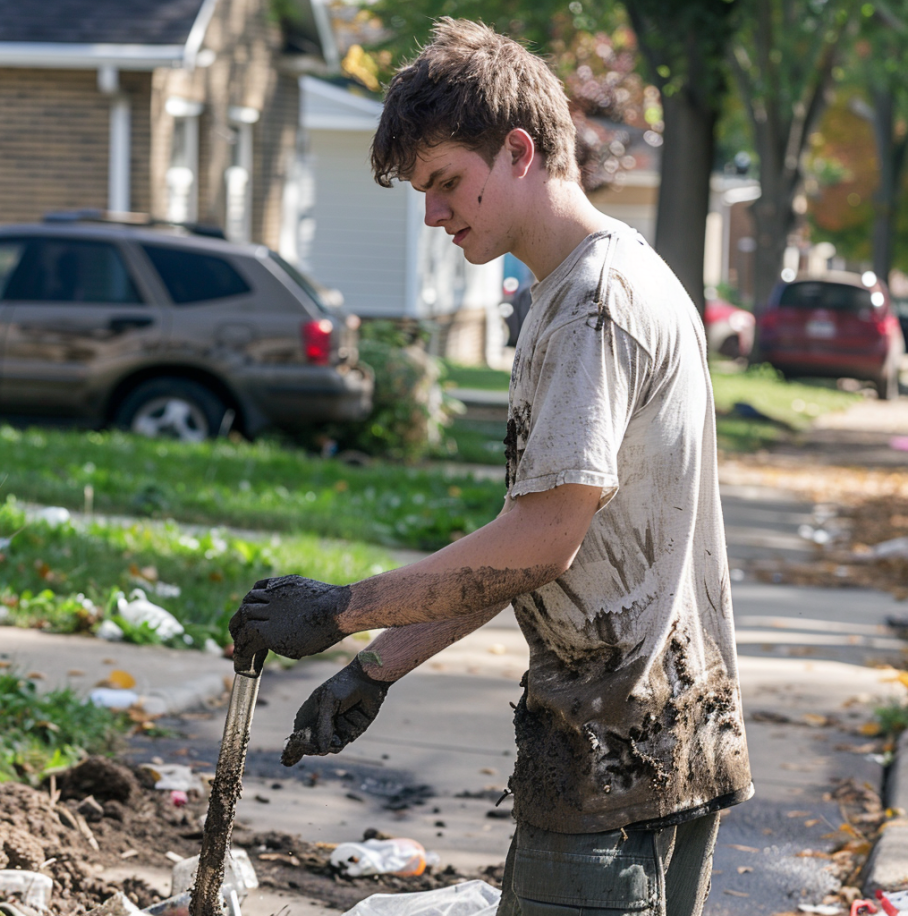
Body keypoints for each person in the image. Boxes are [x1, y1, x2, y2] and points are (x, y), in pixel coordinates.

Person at [229, 18, 752, 916]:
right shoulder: (592, 284)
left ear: (519, 151)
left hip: (615, 753)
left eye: (446, 184)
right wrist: (379, 667)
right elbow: (534, 550)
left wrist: (343, 612)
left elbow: (541, 544)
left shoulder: (595, 306)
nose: (433, 214)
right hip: (648, 743)